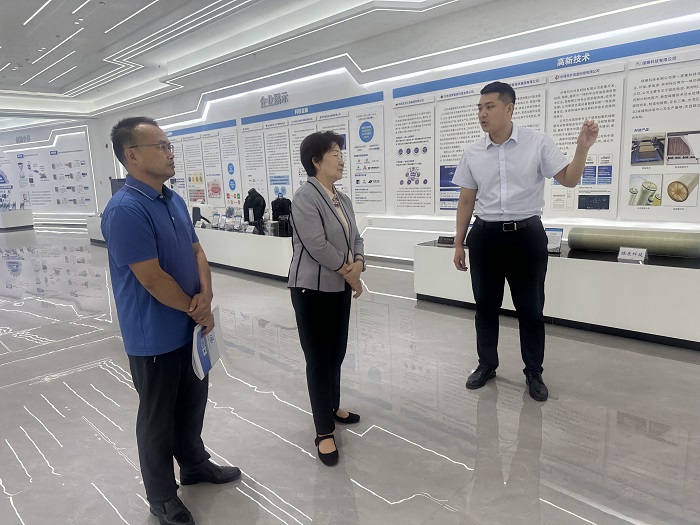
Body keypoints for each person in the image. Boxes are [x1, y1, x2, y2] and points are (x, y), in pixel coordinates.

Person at [101, 117, 240, 525]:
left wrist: (206, 296)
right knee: (157, 419)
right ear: (132, 155)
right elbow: (152, 278)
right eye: (160, 146)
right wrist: (194, 307)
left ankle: (194, 464)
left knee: (192, 404)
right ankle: (161, 496)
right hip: (154, 336)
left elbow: (197, 252)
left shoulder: (172, 199)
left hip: (189, 328)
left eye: (168, 145)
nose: (170, 152)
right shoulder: (125, 210)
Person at [452, 81, 599, 401]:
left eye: (489, 106)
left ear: (509, 108)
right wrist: (458, 242)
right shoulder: (473, 152)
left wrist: (582, 149)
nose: (482, 114)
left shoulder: (537, 143)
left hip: (527, 236)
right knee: (485, 307)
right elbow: (466, 200)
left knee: (531, 309)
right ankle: (486, 364)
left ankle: (534, 371)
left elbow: (569, 179)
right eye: (479, 108)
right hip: (485, 237)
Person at [288, 130, 365, 466]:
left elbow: (356, 238)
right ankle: (323, 431)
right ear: (316, 161)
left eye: (341, 153)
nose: (341, 159)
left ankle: (332, 406)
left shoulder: (341, 198)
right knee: (319, 359)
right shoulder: (305, 197)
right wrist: (351, 273)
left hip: (338, 287)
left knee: (337, 353)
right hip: (312, 290)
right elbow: (316, 245)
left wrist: (358, 263)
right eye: (335, 153)